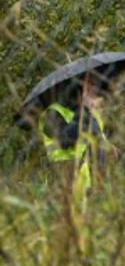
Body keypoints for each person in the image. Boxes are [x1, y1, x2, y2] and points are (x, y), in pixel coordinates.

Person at [39, 76, 108, 213]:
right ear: (77, 89)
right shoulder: (53, 112)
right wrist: (83, 113)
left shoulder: (93, 114)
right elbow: (64, 141)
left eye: (94, 88)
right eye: (88, 88)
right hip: (61, 186)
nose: (94, 93)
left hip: (89, 189)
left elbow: (99, 146)